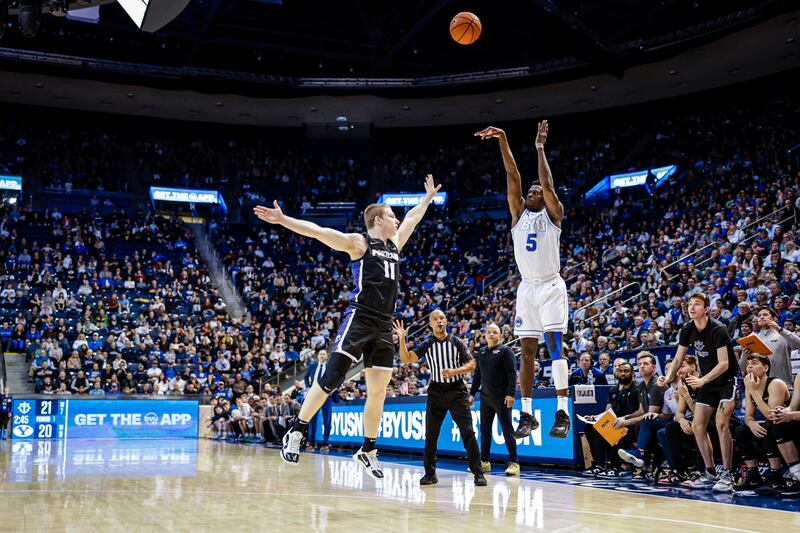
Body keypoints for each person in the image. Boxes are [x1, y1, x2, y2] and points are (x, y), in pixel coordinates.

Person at [255, 174, 442, 480]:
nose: (397, 222)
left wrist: (426, 199)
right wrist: (283, 219)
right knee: (331, 377)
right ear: (378, 220)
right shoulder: (360, 243)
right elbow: (318, 232)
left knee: (378, 392)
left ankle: (368, 449)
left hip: (384, 325)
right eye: (391, 217)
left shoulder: (395, 244)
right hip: (360, 318)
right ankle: (297, 430)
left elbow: (413, 218)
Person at [476, 120, 570, 440]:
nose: (532, 192)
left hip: (551, 286)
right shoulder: (517, 214)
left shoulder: (552, 214)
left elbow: (548, 183)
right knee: (526, 351)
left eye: (537, 190)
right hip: (527, 288)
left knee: (555, 347)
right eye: (530, 191)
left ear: (544, 196)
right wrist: (503, 138)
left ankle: (562, 412)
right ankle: (527, 415)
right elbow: (512, 175)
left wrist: (540, 148)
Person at [394, 311, 487, 487]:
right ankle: (430, 474)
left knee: (467, 432)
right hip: (436, 391)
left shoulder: (457, 342)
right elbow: (406, 359)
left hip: (457, 390)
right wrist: (401, 339)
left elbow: (472, 363)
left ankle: (478, 472)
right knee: (431, 434)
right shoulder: (427, 344)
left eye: (442, 318)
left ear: (446, 321)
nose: (439, 321)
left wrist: (455, 371)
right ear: (430, 324)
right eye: (435, 319)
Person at [658, 293, 740, 492]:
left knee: (721, 423)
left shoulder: (718, 329)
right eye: (689, 304)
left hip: (727, 381)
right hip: (708, 383)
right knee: (697, 425)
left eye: (697, 304)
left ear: (706, 309)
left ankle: (727, 475)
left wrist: (702, 380)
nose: (692, 307)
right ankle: (710, 473)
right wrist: (667, 377)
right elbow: (678, 360)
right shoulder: (687, 329)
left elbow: (724, 364)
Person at [735, 353, 791, 495]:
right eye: (748, 364)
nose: (749, 367)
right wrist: (751, 423)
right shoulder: (750, 387)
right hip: (771, 425)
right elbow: (748, 416)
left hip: (787, 426)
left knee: (767, 427)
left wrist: (754, 392)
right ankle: (754, 476)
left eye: (754, 363)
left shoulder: (775, 383)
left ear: (765, 368)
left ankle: (776, 477)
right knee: (741, 430)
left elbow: (772, 416)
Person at [468, 323, 520, 476]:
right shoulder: (482, 352)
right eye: (489, 332)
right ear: (485, 335)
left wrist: (511, 393)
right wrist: (472, 394)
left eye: (495, 332)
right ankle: (484, 462)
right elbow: (477, 375)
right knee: (484, 430)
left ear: (500, 336)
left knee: (507, 429)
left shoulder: (505, 351)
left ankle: (514, 462)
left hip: (502, 397)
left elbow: (512, 374)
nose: (491, 334)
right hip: (485, 398)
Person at [738, 306, 800, 385]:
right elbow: (742, 368)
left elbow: (798, 344)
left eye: (765, 315)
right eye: (759, 315)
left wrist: (779, 329)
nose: (761, 317)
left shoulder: (783, 334)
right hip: (758, 386)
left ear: (774, 318)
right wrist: (744, 357)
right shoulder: (751, 338)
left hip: (782, 383)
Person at [304, 350, 333, 452]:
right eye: (320, 354)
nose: (322, 355)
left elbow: (340, 377)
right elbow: (305, 377)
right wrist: (308, 387)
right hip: (314, 395)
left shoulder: (330, 365)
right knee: (312, 420)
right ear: (318, 356)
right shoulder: (313, 365)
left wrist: (333, 389)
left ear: (327, 356)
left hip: (326, 395)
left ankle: (325, 444)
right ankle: (311, 443)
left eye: (324, 354)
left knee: (327, 420)